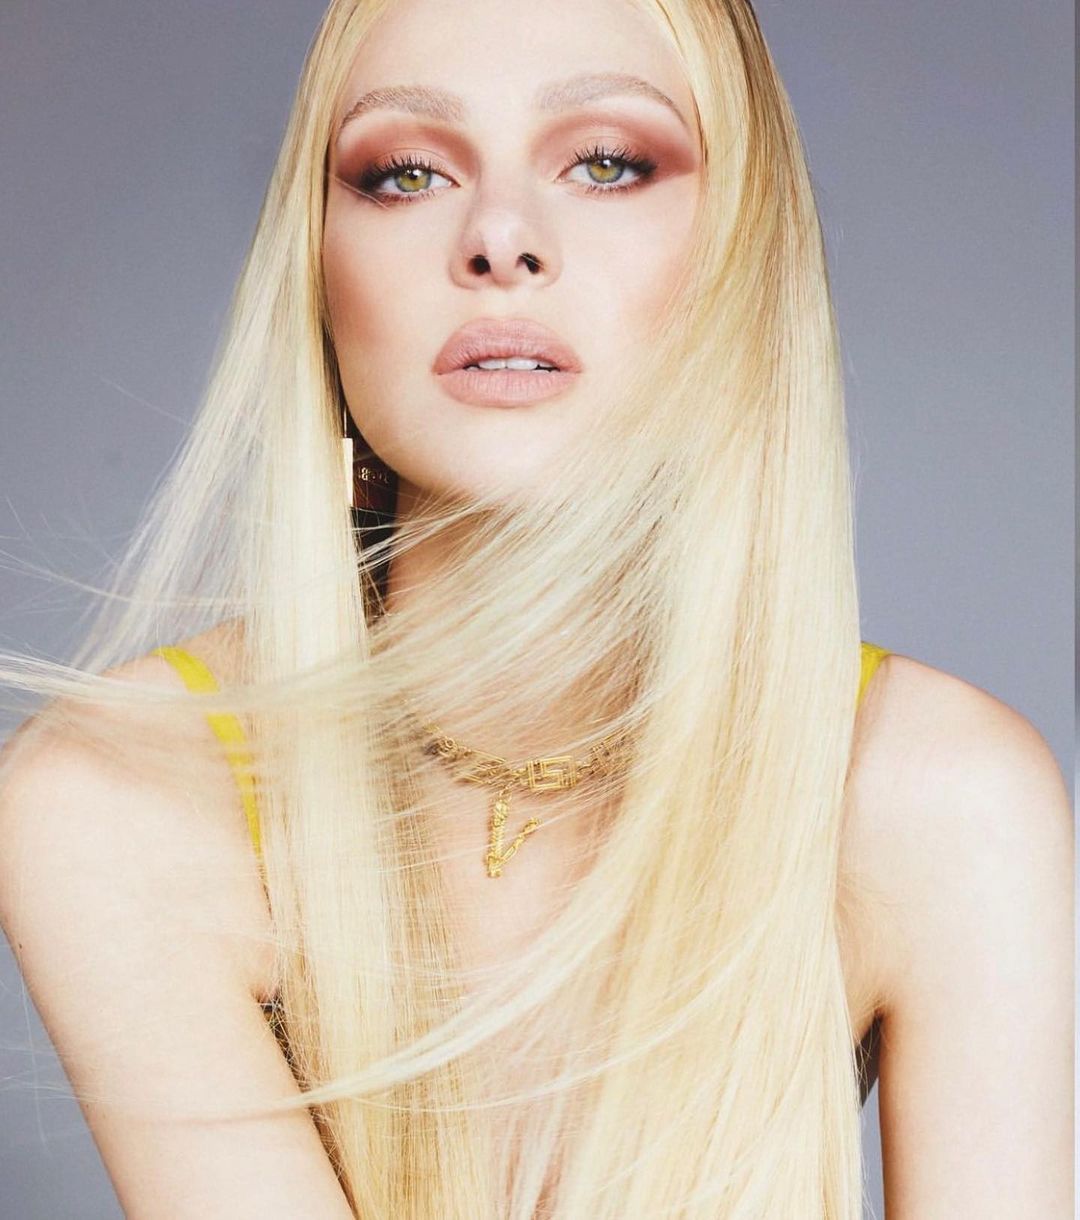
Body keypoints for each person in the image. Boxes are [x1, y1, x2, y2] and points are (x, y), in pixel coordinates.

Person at [0, 0, 1071, 1216]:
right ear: (318, 263)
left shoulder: (936, 797)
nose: (499, 237)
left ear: (743, 248)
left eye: (606, 163)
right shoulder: (123, 794)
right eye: (406, 173)